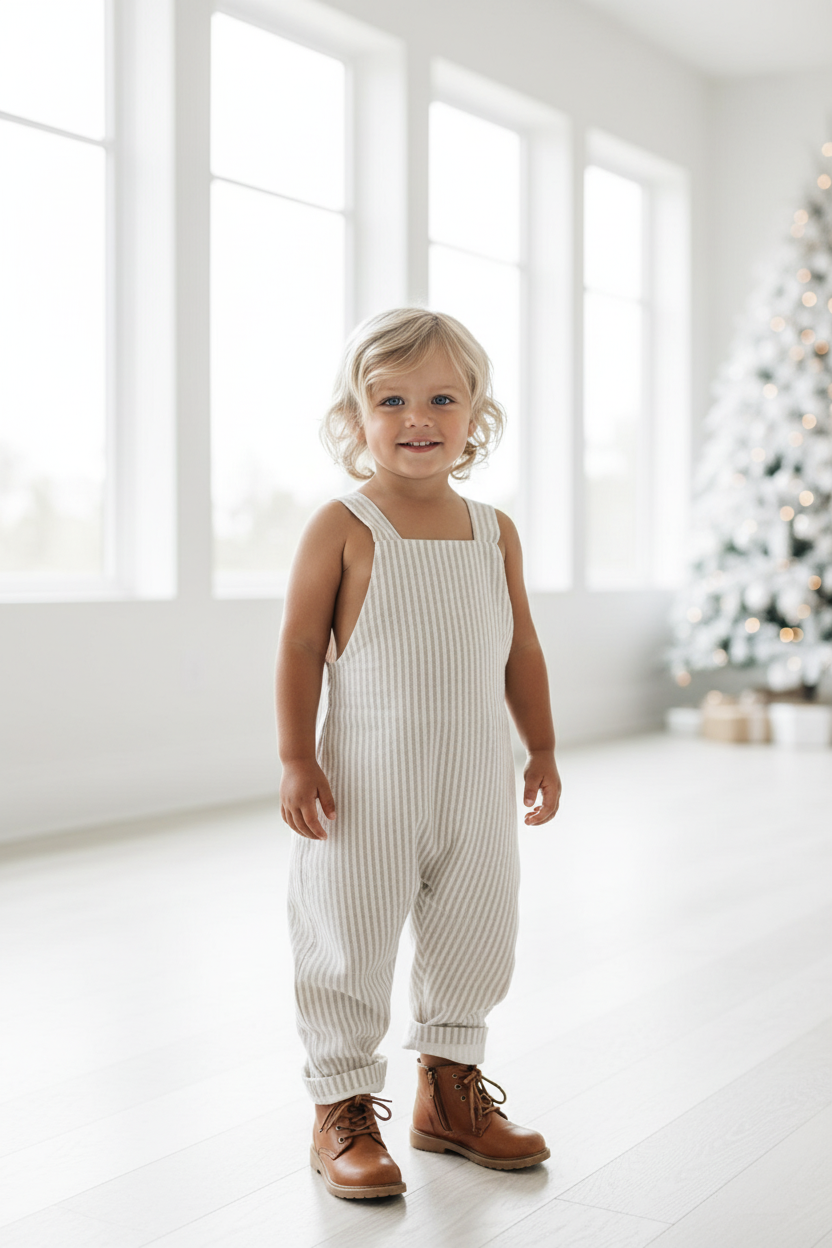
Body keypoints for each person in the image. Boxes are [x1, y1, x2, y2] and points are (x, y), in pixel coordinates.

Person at [275, 308, 561, 1201]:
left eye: (442, 396)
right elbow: (296, 647)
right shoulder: (344, 524)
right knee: (348, 939)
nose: (417, 417)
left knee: (477, 928)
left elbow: (521, 646)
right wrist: (296, 758)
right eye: (390, 399)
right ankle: (344, 1105)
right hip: (366, 786)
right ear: (354, 418)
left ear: (477, 412)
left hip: (475, 781)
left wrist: (541, 746)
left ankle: (449, 1089)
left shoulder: (493, 531)